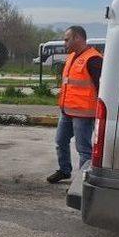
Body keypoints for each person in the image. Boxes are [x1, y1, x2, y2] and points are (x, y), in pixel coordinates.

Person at [47, 26, 103, 183]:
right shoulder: (72, 57)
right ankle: (64, 170)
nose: (65, 43)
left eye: (67, 39)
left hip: (84, 114)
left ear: (78, 38)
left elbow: (101, 87)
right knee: (60, 141)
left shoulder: (93, 59)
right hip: (67, 111)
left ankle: (82, 182)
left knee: (84, 149)